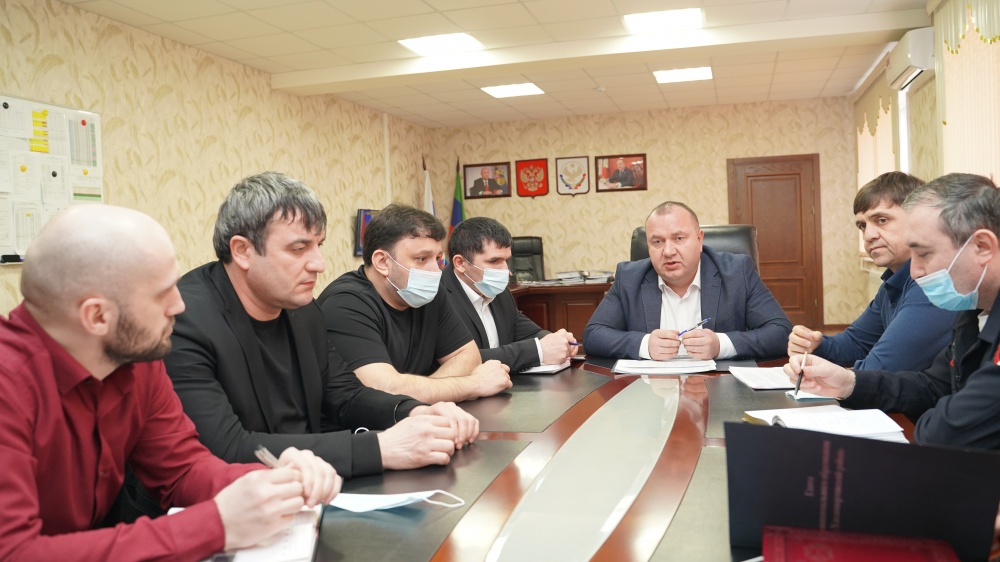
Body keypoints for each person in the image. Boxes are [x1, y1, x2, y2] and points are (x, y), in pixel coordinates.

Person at [0, 204, 340, 560]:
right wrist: (216, 525)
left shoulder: (135, 357)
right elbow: (14, 553)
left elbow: (181, 468)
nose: (179, 305)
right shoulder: (12, 386)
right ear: (97, 316)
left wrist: (270, 482)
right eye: (161, 294)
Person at [164, 173, 478, 482]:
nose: (319, 264)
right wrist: (381, 449)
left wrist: (413, 411)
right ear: (242, 251)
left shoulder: (304, 310)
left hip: (311, 487)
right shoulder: (184, 320)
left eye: (319, 245)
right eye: (298, 249)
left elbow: (345, 395)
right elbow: (226, 447)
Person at [786, 173, 1000, 449]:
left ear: (982, 247)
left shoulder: (958, 296)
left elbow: (944, 433)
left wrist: (937, 415)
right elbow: (932, 385)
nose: (915, 271)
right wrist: (849, 384)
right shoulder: (970, 306)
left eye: (924, 254)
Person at [318, 203, 512, 403]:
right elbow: (384, 390)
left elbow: (468, 355)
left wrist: (423, 391)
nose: (435, 271)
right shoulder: (345, 303)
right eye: (421, 258)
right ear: (382, 262)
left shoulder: (429, 293)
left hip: (418, 416)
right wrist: (474, 384)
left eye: (437, 258)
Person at [787, 172, 956, 370]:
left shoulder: (931, 282)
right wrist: (815, 345)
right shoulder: (893, 282)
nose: (868, 235)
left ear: (919, 221)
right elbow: (857, 343)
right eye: (862, 225)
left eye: (882, 220)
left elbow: (879, 369)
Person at [584, 201, 791, 360]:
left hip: (719, 391)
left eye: (679, 238)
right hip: (651, 392)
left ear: (699, 240)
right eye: (657, 242)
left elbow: (781, 332)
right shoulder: (629, 278)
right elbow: (593, 335)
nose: (668, 251)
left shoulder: (737, 272)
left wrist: (720, 345)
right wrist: (645, 345)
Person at [443, 217, 577, 373]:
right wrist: (538, 350)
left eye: (506, 260)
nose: (505, 270)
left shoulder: (498, 290)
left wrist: (556, 341)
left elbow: (527, 332)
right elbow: (460, 361)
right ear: (460, 263)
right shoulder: (438, 298)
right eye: (494, 261)